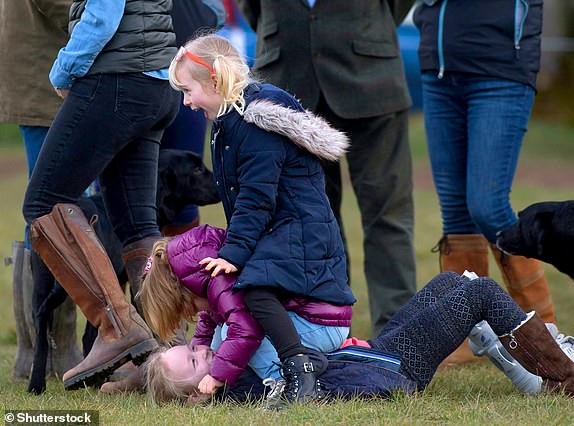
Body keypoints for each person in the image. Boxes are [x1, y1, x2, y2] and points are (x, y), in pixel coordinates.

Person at [163, 33, 356, 403]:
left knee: (252, 287)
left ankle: (297, 371)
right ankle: (290, 365)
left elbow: (255, 197)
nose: (186, 102)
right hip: (279, 226)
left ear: (215, 81)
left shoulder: (253, 124)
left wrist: (234, 252)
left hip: (297, 226)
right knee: (250, 292)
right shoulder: (227, 121)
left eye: (188, 91)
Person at [145, 272, 574, 404]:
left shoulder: (231, 359)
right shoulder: (240, 385)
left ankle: (525, 364)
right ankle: (569, 379)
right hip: (393, 369)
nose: (198, 349)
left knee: (447, 285)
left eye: (187, 347)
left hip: (372, 351)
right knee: (479, 293)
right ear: (197, 395)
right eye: (191, 362)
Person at [22, 0, 181, 390]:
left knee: (43, 204)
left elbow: (104, 14)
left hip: (116, 78)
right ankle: (167, 360)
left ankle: (117, 326)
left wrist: (64, 68)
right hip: (157, 82)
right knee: (136, 225)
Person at [235, 0, 418, 336]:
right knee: (307, 221)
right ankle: (325, 330)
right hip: (289, 86)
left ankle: (398, 337)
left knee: (387, 214)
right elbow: (251, 8)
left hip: (371, 79)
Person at [413, 0, 557, 366]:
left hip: (501, 68)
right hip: (439, 69)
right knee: (457, 216)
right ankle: (465, 333)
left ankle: (542, 333)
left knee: (487, 205)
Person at [139, 224, 351, 403]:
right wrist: (201, 343)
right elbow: (211, 315)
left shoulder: (216, 274)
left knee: (230, 335)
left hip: (322, 323)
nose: (198, 312)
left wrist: (217, 376)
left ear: (183, 294)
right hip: (318, 315)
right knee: (224, 337)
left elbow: (246, 329)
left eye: (192, 309)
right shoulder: (202, 266)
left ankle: (284, 381)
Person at [0, 0, 82, 380]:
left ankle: (41, 351)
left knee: (49, 210)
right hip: (44, 82)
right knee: (50, 212)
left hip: (43, 76)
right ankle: (49, 350)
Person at [159, 0, 226, 236]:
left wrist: (198, 17)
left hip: (179, 69)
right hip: (129, 72)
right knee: (122, 191)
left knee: (187, 185)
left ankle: (177, 269)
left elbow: (217, 12)